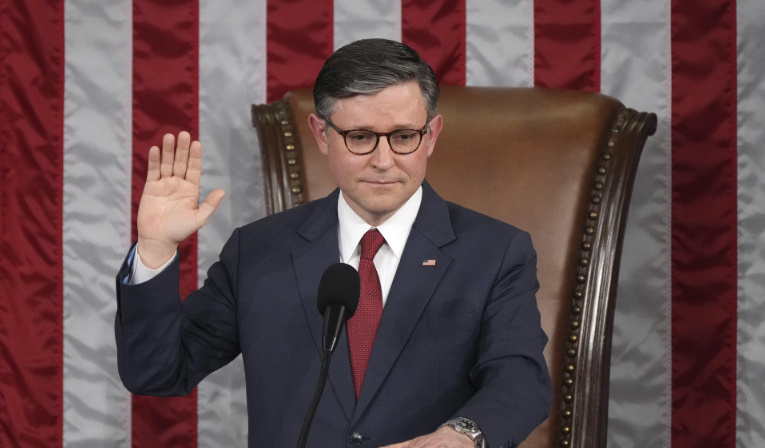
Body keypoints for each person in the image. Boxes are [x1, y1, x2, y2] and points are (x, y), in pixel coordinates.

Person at [116, 38, 552, 448]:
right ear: (323, 135)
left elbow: (520, 378)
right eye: (360, 137)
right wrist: (154, 250)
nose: (384, 161)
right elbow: (157, 372)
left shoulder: (495, 252)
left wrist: (460, 436)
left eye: (403, 137)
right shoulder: (258, 251)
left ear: (431, 135)